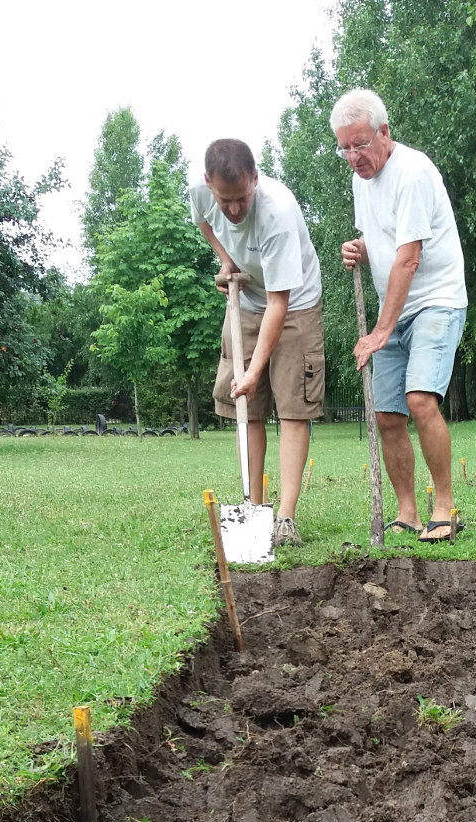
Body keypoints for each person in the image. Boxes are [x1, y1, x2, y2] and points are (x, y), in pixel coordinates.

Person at [330, 89, 468, 543]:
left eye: (360, 144)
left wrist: (379, 332)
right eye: (344, 147)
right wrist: (361, 248)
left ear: (384, 133)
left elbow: (408, 258)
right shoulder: (359, 180)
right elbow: (386, 239)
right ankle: (407, 511)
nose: (353, 156)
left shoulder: (412, 172)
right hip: (396, 308)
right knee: (388, 414)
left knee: (420, 400)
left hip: (436, 300)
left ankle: (444, 507)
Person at [189, 138, 324, 548]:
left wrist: (252, 371)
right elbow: (204, 222)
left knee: (292, 408)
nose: (233, 209)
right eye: (225, 199)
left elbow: (279, 304)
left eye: (242, 198)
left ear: (255, 179)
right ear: (210, 184)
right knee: (248, 411)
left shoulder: (277, 212)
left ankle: (285, 517)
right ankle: (254, 510)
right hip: (246, 300)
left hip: (294, 302)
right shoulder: (200, 192)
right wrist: (225, 260)